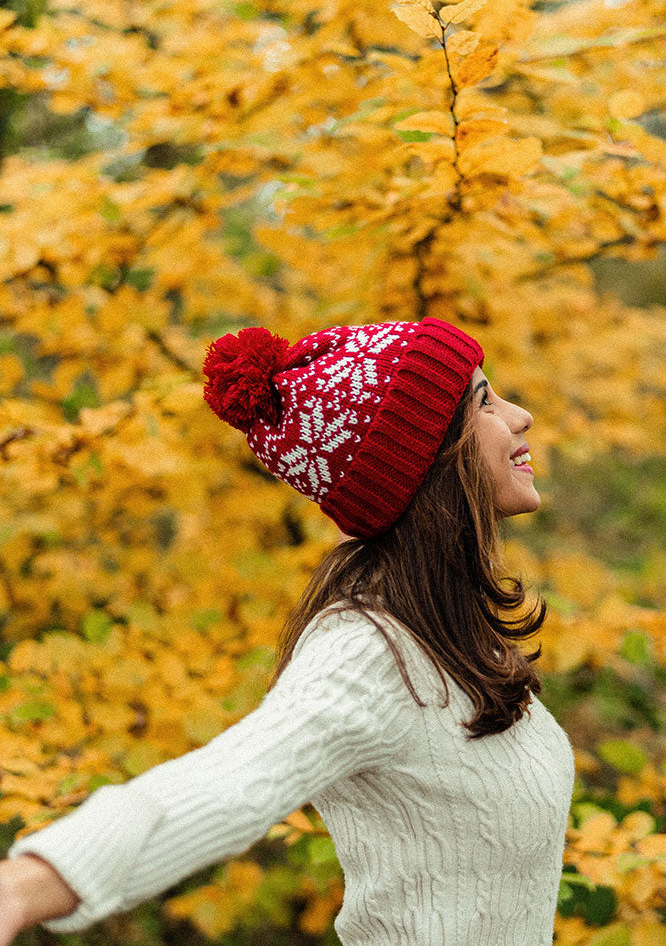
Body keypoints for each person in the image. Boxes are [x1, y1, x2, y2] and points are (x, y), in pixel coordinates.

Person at [0, 317, 576, 946]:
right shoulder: (370, 650)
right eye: (484, 401)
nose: (519, 416)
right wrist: (22, 887)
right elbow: (230, 782)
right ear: (424, 454)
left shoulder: (450, 634)